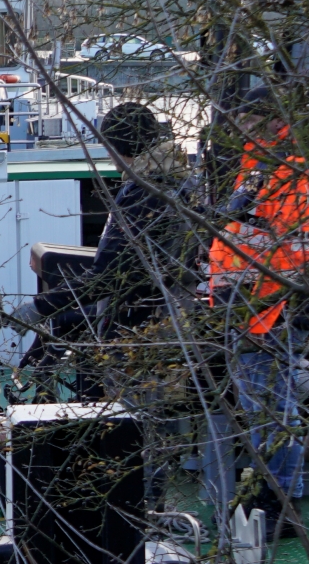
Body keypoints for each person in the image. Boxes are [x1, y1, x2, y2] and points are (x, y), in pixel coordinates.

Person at [201, 86, 309, 543]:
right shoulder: (268, 164)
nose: (238, 125)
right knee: (272, 409)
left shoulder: (286, 171)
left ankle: (275, 503)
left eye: (245, 117)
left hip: (268, 310)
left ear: (267, 119)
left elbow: (281, 246)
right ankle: (275, 498)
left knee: (272, 413)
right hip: (256, 306)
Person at [16, 102, 198, 390]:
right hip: (171, 327)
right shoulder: (182, 183)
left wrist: (43, 305)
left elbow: (110, 274)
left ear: (117, 147)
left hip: (140, 340)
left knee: (135, 422)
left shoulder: (145, 194)